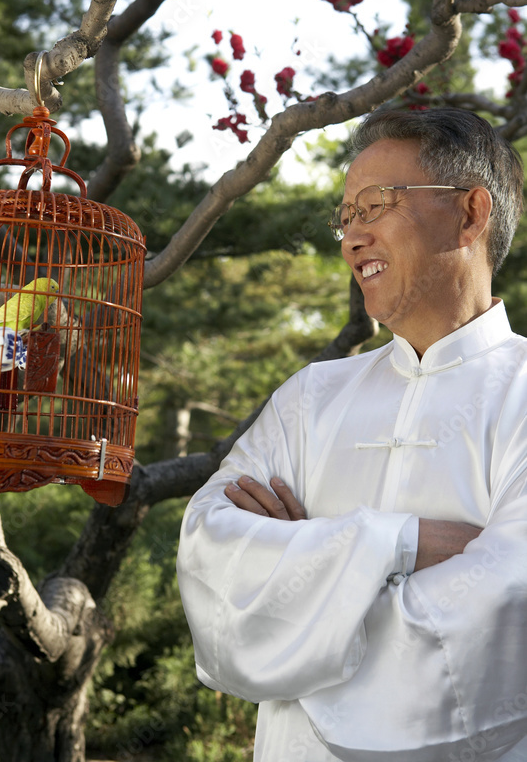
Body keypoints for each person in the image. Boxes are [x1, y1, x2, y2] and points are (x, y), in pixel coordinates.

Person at [176, 108, 527, 762]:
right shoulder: (309, 398)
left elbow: (507, 609)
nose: (350, 237)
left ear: (471, 213)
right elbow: (210, 556)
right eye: (346, 216)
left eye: (374, 206)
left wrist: (297, 620)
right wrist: (396, 542)